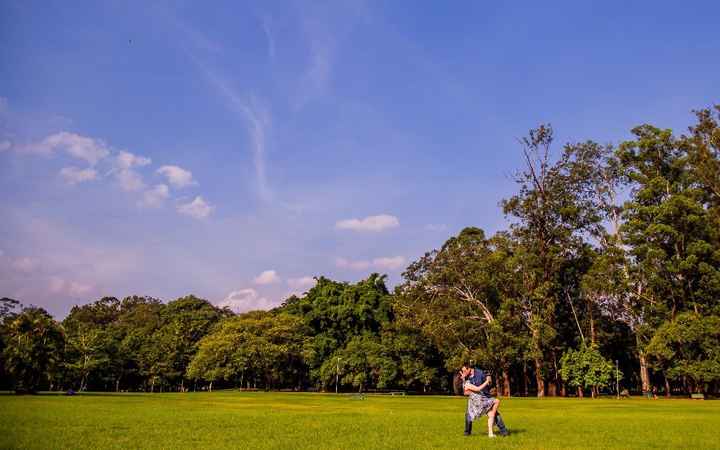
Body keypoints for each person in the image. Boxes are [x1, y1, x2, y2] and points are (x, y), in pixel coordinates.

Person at [460, 364, 509, 437]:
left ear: (469, 368)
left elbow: (489, 383)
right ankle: (467, 433)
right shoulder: (466, 377)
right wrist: (467, 385)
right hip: (474, 399)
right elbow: (465, 392)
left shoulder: (480, 373)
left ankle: (503, 431)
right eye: (462, 371)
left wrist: (488, 379)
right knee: (468, 414)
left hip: (485, 397)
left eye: (464, 370)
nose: (463, 372)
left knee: (494, 413)